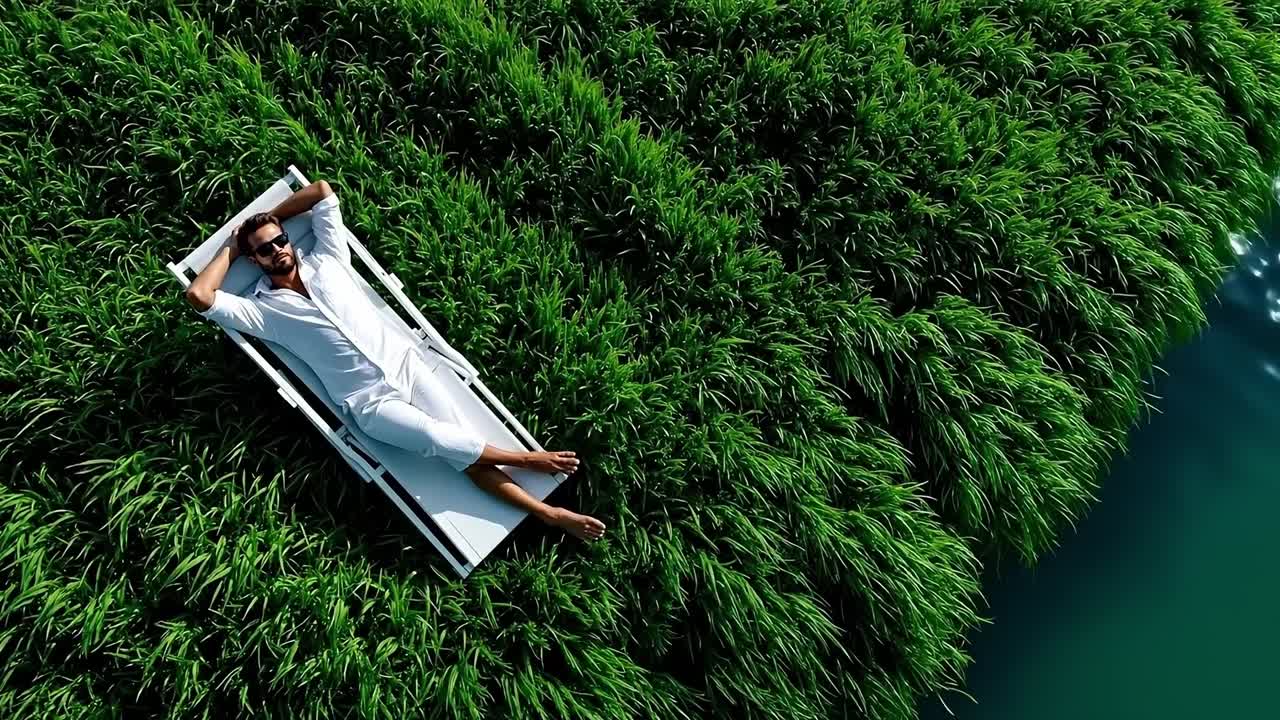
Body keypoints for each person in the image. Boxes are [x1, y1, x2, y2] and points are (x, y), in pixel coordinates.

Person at [184, 179, 605, 542]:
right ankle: (530, 461)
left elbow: (321, 192)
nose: (277, 250)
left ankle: (548, 515)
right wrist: (232, 248)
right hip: (369, 403)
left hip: (406, 365)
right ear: (254, 261)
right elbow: (200, 297)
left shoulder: (330, 259)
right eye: (264, 250)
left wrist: (262, 222)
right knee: (441, 440)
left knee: (462, 451)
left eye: (280, 240)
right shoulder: (262, 312)